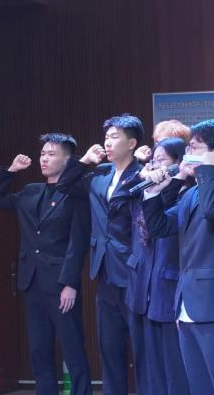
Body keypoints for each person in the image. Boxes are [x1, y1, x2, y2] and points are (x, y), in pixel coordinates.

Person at [142, 120, 214, 395]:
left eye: (194, 147)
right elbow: (159, 227)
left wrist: (207, 170)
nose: (188, 153)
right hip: (187, 304)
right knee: (199, 387)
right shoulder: (191, 193)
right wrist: (152, 192)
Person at [0, 133, 92, 395]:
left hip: (60, 283)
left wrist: (70, 283)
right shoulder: (31, 191)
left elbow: (78, 242)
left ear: (68, 160)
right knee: (39, 349)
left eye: (51, 154)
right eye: (43, 153)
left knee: (72, 348)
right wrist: (11, 170)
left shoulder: (76, 195)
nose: (44, 159)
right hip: (32, 280)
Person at [63, 114, 146, 395]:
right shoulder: (99, 174)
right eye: (106, 137)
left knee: (141, 348)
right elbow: (64, 184)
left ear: (132, 143)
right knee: (109, 348)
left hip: (134, 270)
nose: (107, 142)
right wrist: (85, 161)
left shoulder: (142, 174)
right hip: (104, 269)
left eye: (114, 137)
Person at [126, 137, 189, 395]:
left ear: (178, 163)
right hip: (146, 289)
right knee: (151, 368)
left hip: (169, 290)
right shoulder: (150, 191)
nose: (155, 166)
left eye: (161, 160)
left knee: (174, 369)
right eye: (153, 160)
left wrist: (173, 181)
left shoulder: (185, 194)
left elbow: (164, 223)